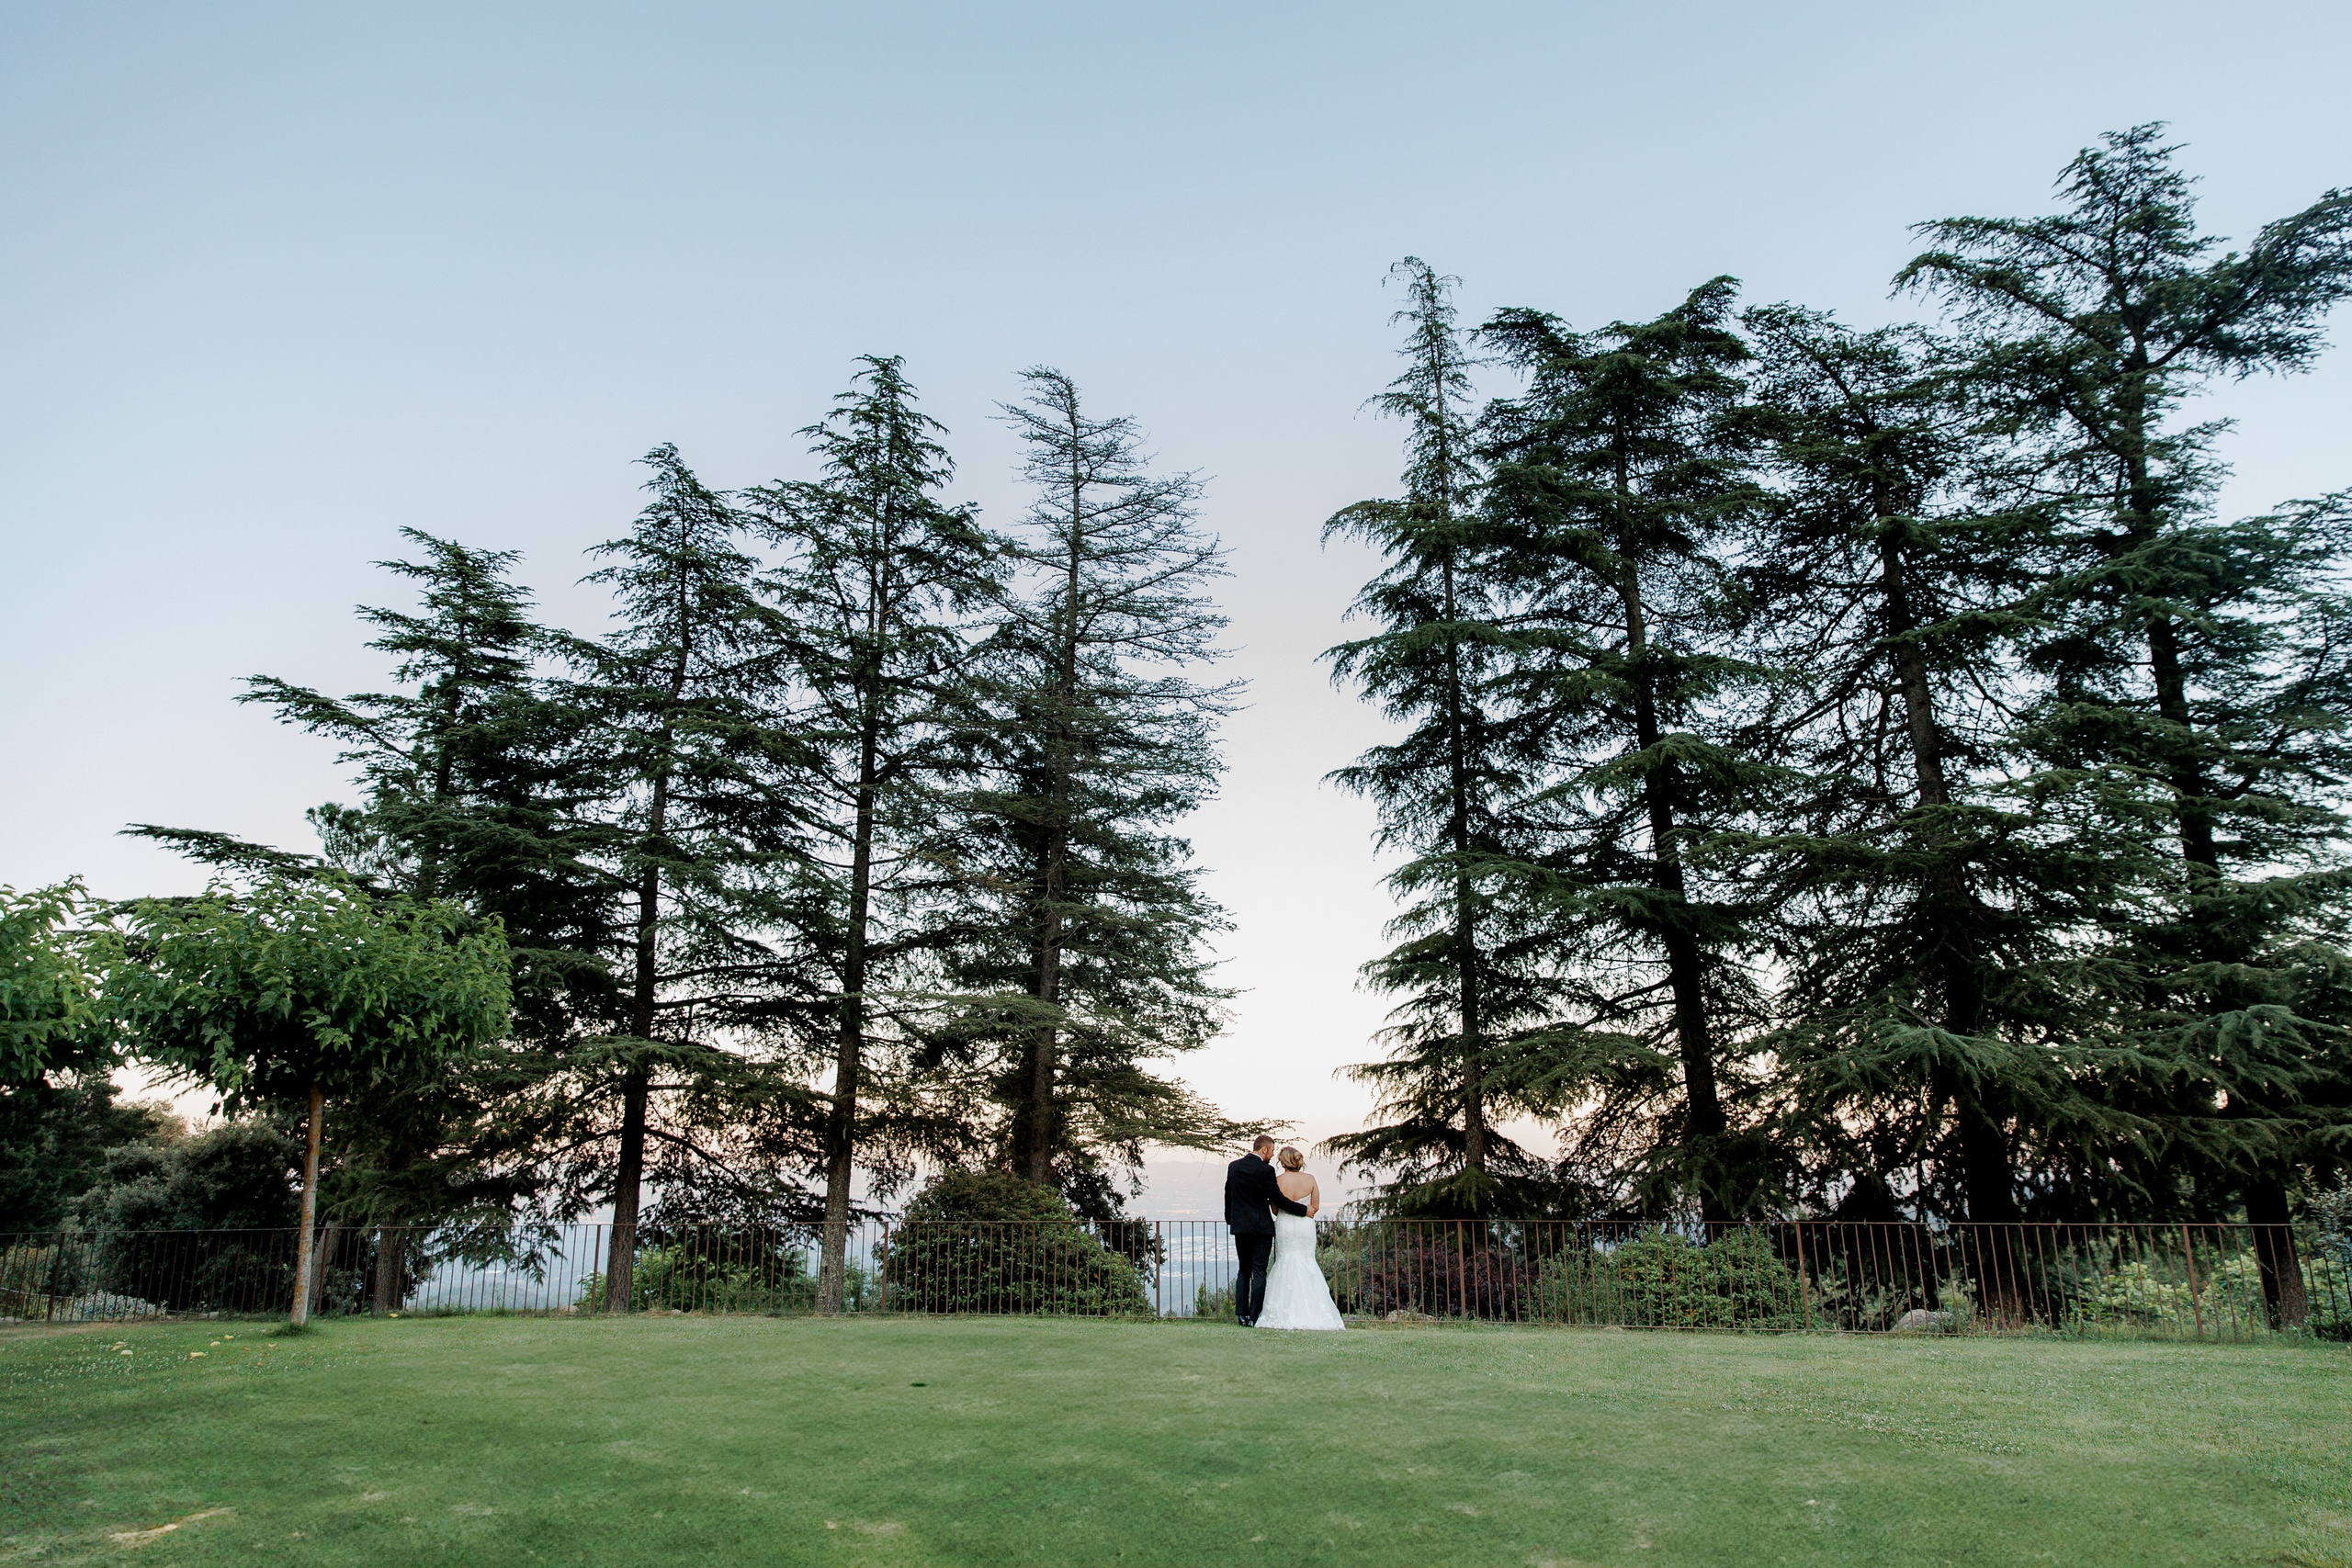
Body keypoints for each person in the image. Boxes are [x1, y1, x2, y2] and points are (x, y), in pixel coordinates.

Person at [1256, 1145, 1345, 1331]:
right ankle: (1313, 1312)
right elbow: (1315, 1206)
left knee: (1285, 1262)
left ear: (1283, 1162)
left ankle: (1284, 1312)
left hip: (1285, 1226)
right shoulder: (1310, 1179)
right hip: (1305, 1226)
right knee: (1306, 1262)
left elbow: (1275, 1209)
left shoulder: (1277, 1180)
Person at [1224, 1134, 1309, 1326]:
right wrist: (1303, 1210)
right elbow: (1277, 1199)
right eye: (1271, 1151)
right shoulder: (1266, 1170)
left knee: (1243, 1270)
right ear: (1264, 1149)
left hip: (1241, 1228)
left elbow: (1228, 1195)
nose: (1272, 1155)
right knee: (1259, 1271)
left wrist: (1231, 1220)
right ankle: (1254, 1317)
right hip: (1262, 1228)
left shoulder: (1234, 1167)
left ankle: (1241, 1315)